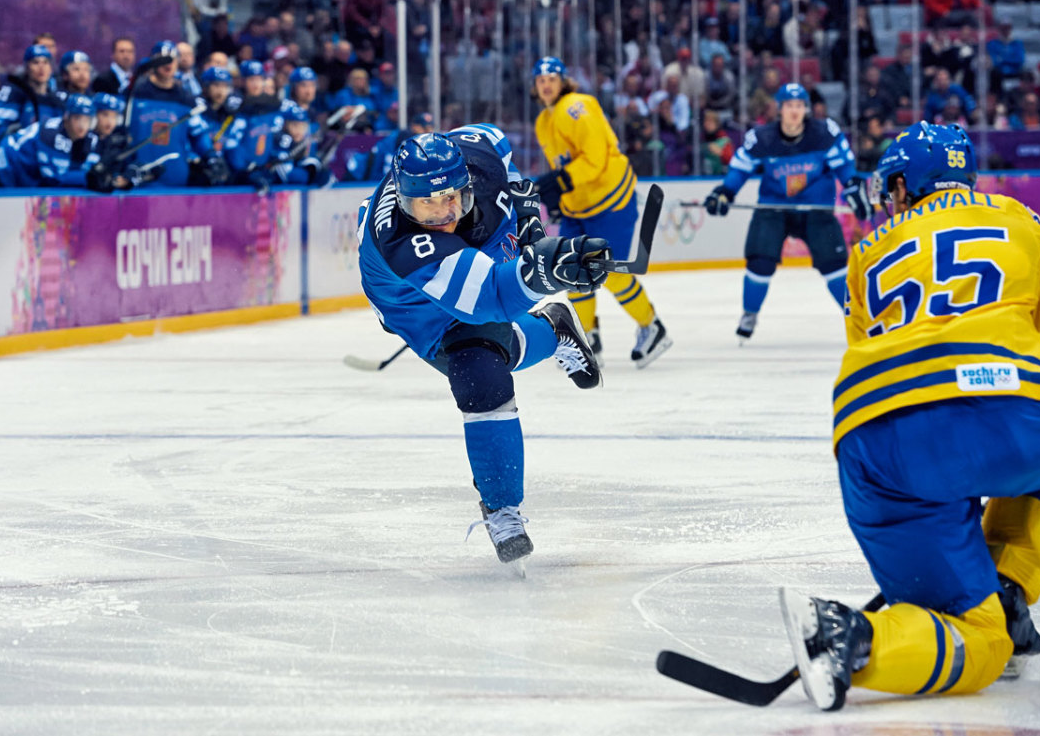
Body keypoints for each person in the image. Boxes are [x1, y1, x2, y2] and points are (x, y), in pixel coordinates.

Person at [780, 121, 1040, 711]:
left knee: (978, 640)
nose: (889, 199)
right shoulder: (1018, 222)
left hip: (876, 446)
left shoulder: (867, 252)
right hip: (1009, 414)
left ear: (909, 184)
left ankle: (851, 639)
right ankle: (1010, 580)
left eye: (893, 187)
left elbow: (870, 351)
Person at [357, 128, 609, 568]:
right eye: (426, 206)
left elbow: (498, 143)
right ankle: (552, 329)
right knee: (482, 350)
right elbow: (488, 298)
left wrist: (524, 204)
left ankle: (502, 508)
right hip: (415, 303)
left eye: (451, 200)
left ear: (466, 183)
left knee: (480, 374)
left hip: (478, 263)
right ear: (403, 201)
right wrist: (547, 271)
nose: (441, 216)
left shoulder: (476, 153)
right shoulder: (406, 241)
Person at [530, 56, 671, 369]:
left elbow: (595, 157)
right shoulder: (543, 122)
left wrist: (562, 180)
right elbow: (562, 166)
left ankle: (653, 328)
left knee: (610, 272)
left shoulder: (577, 105)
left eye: (552, 78)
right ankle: (587, 336)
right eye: (541, 81)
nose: (546, 85)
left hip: (611, 202)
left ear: (564, 81)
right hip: (577, 208)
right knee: (569, 272)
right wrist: (557, 197)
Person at [705, 83, 863, 341]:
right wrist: (725, 192)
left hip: (816, 208)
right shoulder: (762, 138)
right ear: (780, 109)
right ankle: (750, 313)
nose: (794, 111)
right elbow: (740, 169)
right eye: (789, 106)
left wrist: (853, 185)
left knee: (834, 266)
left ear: (806, 109)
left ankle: (858, 316)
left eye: (799, 106)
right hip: (774, 207)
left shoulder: (823, 133)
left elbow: (844, 166)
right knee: (760, 263)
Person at [126, 41, 213, 187]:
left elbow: (198, 135)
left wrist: (211, 156)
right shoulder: (135, 94)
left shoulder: (185, 98)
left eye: (172, 59)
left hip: (176, 176)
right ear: (153, 62)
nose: (168, 64)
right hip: (138, 177)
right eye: (162, 58)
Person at [0, 94, 101, 189]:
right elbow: (53, 178)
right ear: (66, 116)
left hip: (29, 173)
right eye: (77, 118)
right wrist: (88, 177)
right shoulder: (50, 134)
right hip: (8, 161)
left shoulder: (91, 138)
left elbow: (89, 169)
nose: (82, 125)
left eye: (87, 120)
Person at [0, 44, 62, 144]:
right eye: (35, 62)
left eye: (45, 62)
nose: (41, 67)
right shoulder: (14, 93)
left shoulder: (56, 101)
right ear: (26, 67)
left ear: (51, 68)